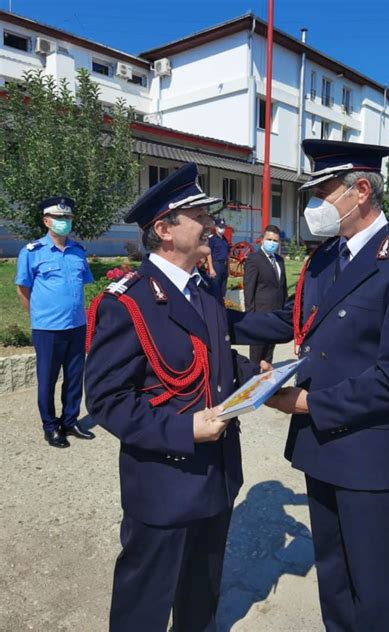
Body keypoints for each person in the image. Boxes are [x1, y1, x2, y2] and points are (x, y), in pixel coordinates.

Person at [228, 140, 389, 631]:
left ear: (361, 190)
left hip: (366, 450)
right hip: (318, 445)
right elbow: (289, 320)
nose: (313, 206)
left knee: (377, 580)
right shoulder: (325, 259)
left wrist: (309, 403)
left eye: (322, 192)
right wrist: (216, 322)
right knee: (334, 571)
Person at [84, 163, 259, 632]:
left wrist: (260, 378)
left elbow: (216, 360)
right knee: (143, 605)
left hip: (218, 478)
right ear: (163, 230)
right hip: (165, 485)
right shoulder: (129, 302)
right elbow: (106, 399)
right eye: (198, 214)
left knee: (201, 599)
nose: (210, 223)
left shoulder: (203, 293)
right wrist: (184, 428)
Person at [15, 196, 95, 448]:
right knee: (47, 379)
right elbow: (22, 289)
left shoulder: (78, 252)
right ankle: (50, 427)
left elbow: (82, 285)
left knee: (74, 377)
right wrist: (38, 316)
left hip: (76, 325)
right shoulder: (32, 252)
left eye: (67, 218)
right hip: (47, 328)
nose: (64, 222)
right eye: (59, 218)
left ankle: (69, 421)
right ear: (46, 221)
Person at [243, 224, 288, 364]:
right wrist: (250, 315)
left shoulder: (279, 260)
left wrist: (284, 310)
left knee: (269, 352)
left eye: (275, 241)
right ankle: (252, 381)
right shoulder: (254, 259)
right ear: (262, 239)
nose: (272, 243)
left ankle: (266, 379)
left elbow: (283, 287)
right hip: (260, 315)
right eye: (269, 239)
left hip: (276, 314)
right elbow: (249, 288)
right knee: (257, 354)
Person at [206, 216, 230, 299]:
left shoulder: (225, 240)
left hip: (224, 266)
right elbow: (208, 253)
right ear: (216, 227)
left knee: (223, 290)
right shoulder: (212, 239)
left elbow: (228, 254)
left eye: (223, 227)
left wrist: (228, 269)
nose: (222, 229)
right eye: (220, 227)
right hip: (217, 265)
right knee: (215, 289)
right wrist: (211, 268)